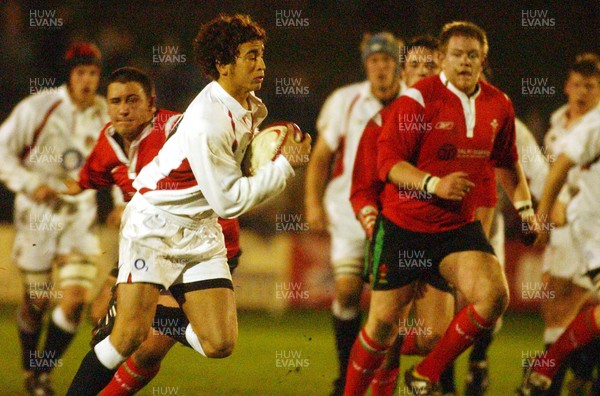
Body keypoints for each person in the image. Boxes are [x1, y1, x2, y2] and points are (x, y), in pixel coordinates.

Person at [66, 14, 311, 395]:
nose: (261, 64)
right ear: (223, 64)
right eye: (251, 56)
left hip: (199, 230)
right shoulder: (208, 119)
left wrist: (267, 155)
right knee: (127, 338)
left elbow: (234, 181)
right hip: (155, 224)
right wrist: (283, 165)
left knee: (219, 344)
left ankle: (160, 315)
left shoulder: (246, 106)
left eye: (261, 55)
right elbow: (229, 201)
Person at [343, 21, 539, 396]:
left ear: (483, 60)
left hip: (454, 228)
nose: (464, 62)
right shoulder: (416, 101)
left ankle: (424, 374)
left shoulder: (499, 104)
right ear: (444, 60)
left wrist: (525, 208)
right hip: (404, 226)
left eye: (472, 55)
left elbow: (507, 161)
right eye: (456, 55)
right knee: (383, 326)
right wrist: (434, 185)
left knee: (490, 298)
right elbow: (388, 165)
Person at [350, 35, 457, 396]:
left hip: (442, 235)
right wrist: (372, 224)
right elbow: (363, 188)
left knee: (432, 337)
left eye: (431, 66)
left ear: (442, 68)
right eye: (415, 67)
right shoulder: (382, 121)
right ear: (404, 73)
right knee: (385, 328)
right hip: (395, 233)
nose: (423, 73)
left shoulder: (459, 118)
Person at [0, 42, 107, 396]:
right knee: (37, 301)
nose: (88, 81)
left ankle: (42, 374)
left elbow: (122, 159)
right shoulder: (40, 107)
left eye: (93, 73)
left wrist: (123, 200)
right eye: (81, 73)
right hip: (37, 215)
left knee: (75, 299)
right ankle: (31, 367)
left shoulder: (106, 113)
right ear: (70, 76)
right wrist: (31, 184)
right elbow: (3, 151)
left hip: (80, 215)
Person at [305, 31, 403, 396]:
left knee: (390, 305)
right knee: (347, 292)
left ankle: (383, 381)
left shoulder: (412, 101)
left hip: (396, 212)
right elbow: (320, 159)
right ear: (366, 64)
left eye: (387, 59)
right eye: (374, 60)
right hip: (348, 211)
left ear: (397, 63)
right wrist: (313, 205)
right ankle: (346, 375)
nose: (381, 67)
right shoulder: (344, 100)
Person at [518, 54, 600, 396]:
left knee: (584, 305)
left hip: (582, 228)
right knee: (559, 304)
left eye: (590, 86)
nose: (581, 92)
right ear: (567, 87)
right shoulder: (580, 128)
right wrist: (544, 214)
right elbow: (556, 171)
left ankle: (554, 372)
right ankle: (555, 374)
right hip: (585, 233)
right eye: (577, 84)